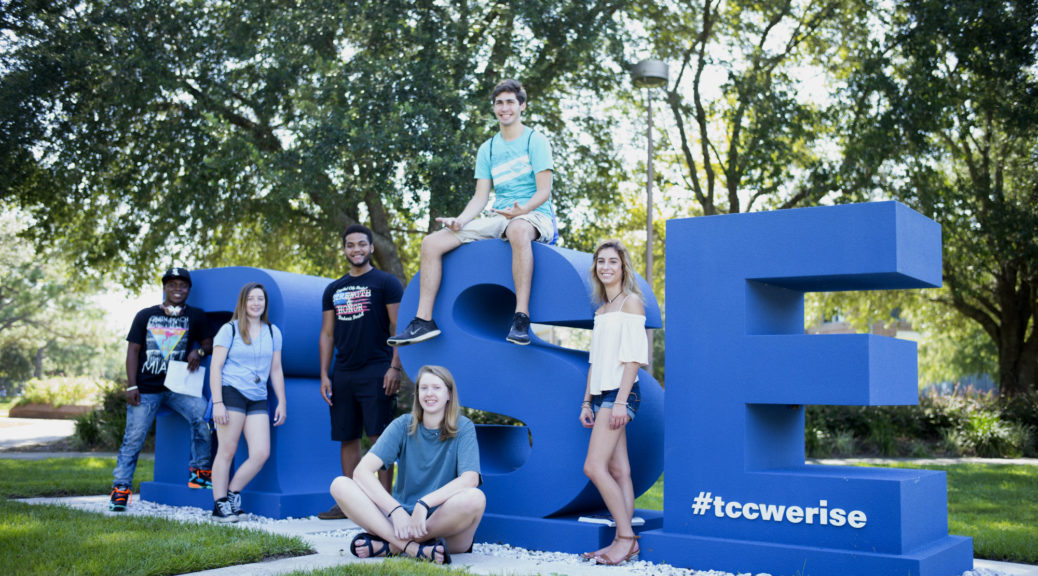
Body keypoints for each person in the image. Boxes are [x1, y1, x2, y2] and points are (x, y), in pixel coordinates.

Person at [388, 78, 554, 347]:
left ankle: (521, 317)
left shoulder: (536, 141)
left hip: (534, 215)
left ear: (522, 105)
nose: (504, 107)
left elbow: (544, 191)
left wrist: (523, 209)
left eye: (510, 102)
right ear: (494, 108)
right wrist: (460, 220)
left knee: (519, 228)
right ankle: (423, 321)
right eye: (499, 103)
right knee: (431, 242)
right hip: (500, 217)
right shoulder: (487, 148)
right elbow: (480, 197)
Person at [329, 365, 484, 565]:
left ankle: (391, 545)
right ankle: (413, 548)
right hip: (401, 521)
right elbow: (361, 472)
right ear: (417, 393)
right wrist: (396, 510)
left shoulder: (464, 428)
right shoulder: (403, 425)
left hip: (443, 526)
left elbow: (470, 479)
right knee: (340, 484)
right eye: (424, 388)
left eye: (436, 388)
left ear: (449, 394)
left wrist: (424, 504)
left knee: (475, 498)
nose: (429, 393)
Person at [110, 267, 214, 512]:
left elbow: (209, 343)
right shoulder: (145, 315)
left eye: (183, 285)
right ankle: (121, 489)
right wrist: (132, 384)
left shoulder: (196, 316)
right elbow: (133, 351)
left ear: (189, 290)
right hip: (146, 388)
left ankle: (199, 474)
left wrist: (198, 351)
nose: (178, 289)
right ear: (165, 288)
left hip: (179, 386)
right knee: (133, 438)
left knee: (202, 418)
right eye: (172, 285)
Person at [318, 224, 405, 519]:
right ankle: (350, 503)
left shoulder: (386, 283)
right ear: (344, 249)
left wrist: (395, 366)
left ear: (370, 248)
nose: (356, 249)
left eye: (361, 245)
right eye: (350, 245)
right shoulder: (333, 289)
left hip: (378, 369)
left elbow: (398, 328)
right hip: (343, 372)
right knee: (347, 436)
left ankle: (384, 505)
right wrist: (324, 374)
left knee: (381, 438)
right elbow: (327, 334)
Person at [578, 240, 648, 565]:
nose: (606, 267)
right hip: (603, 394)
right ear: (596, 268)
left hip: (622, 393)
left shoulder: (631, 303)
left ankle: (625, 539)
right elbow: (595, 361)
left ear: (623, 268)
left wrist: (619, 402)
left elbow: (634, 358)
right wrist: (586, 402)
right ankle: (623, 541)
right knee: (619, 470)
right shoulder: (602, 311)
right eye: (601, 262)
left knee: (594, 466)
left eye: (613, 262)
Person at [208, 282, 287, 522]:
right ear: (243, 302)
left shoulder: (273, 332)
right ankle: (219, 504)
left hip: (258, 397)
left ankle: (231, 495)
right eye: (251, 299)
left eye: (260, 299)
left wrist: (282, 402)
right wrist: (218, 403)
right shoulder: (228, 330)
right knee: (227, 450)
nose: (256, 303)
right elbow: (215, 367)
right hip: (231, 392)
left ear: (265, 303)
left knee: (261, 453)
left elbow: (275, 369)